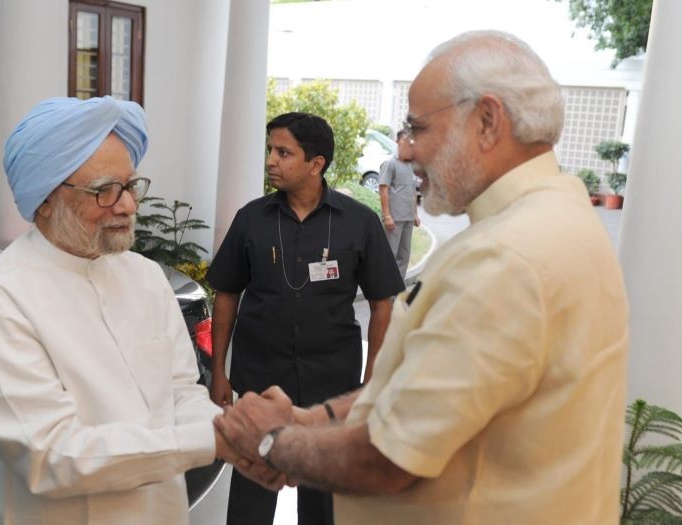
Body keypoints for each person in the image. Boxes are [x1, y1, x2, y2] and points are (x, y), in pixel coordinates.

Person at [215, 31, 629, 525]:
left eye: (417, 128)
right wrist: (313, 419)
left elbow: (387, 459)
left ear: (487, 121)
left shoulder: (505, 259)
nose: (407, 152)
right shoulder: (562, 213)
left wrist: (270, 442)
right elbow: (426, 390)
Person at [0, 96, 267, 525]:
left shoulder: (147, 278)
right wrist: (217, 440)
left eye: (130, 186)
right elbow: (51, 457)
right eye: (104, 190)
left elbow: (181, 393)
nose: (128, 205)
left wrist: (236, 434)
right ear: (45, 199)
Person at [207, 112, 404, 524]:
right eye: (270, 150)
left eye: (283, 153)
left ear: (316, 164)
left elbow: (382, 303)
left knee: (323, 498)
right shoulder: (251, 219)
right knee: (251, 490)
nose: (270, 161)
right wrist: (219, 371)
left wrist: (372, 377)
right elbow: (226, 294)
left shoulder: (359, 222)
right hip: (260, 377)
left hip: (330, 381)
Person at [379, 129, 421, 280]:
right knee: (390, 255)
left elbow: (413, 191)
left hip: (408, 217)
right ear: (397, 142)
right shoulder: (390, 164)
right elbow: (383, 189)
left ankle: (398, 286)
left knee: (404, 255)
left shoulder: (410, 166)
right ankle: (385, 287)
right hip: (394, 219)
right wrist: (387, 216)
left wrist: (415, 214)